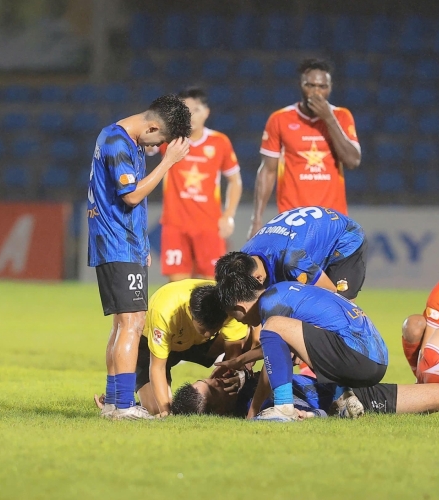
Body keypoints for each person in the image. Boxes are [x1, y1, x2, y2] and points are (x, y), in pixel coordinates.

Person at [88, 94, 191, 420]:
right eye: (159, 140)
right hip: (117, 243)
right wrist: (167, 162)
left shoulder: (129, 142)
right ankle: (121, 406)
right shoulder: (117, 141)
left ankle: (114, 403)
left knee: (125, 323)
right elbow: (131, 195)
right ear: (151, 126)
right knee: (132, 323)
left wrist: (142, 245)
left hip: (125, 243)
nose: (156, 147)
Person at [217, 274, 387, 422]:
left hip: (358, 357)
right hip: (375, 357)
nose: (240, 322)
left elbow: (272, 365)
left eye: (235, 317)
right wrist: (241, 360)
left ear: (240, 307)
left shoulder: (270, 306)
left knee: (273, 325)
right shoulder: (281, 292)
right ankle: (343, 399)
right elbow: (281, 347)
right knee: (282, 330)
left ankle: (283, 409)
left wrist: (253, 411)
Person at [248, 58, 361, 239]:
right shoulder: (280, 119)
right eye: (310, 85)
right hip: (292, 220)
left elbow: (353, 161)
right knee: (295, 268)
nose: (316, 92)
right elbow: (268, 171)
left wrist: (328, 119)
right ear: (301, 85)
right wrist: (257, 220)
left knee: (327, 269)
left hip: (332, 220)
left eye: (322, 87)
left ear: (330, 87)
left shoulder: (341, 116)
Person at [169, 371, 439, 419]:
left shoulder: (240, 381)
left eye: (208, 379)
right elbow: (304, 415)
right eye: (214, 389)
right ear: (219, 407)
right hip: (353, 398)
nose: (218, 381)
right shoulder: (258, 411)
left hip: (345, 379)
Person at [149, 87, 243, 281]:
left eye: (196, 109)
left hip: (209, 225)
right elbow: (147, 145)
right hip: (175, 223)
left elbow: (235, 180)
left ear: (206, 112)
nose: (190, 115)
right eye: (185, 109)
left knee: (211, 284)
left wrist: (229, 215)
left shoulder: (219, 142)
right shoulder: (170, 138)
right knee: (177, 286)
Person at [133, 280, 250, 417]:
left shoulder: (229, 307)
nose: (207, 334)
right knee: (156, 408)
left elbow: (234, 356)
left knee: (246, 335)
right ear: (190, 311)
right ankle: (135, 404)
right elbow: (157, 367)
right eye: (203, 328)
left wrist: (232, 377)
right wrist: (165, 411)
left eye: (214, 329)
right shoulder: (164, 312)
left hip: (194, 343)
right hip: (153, 344)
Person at [216, 206, 367, 299]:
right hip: (304, 240)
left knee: (338, 309)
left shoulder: (292, 261)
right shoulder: (244, 258)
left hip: (345, 239)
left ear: (259, 278)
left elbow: (330, 294)